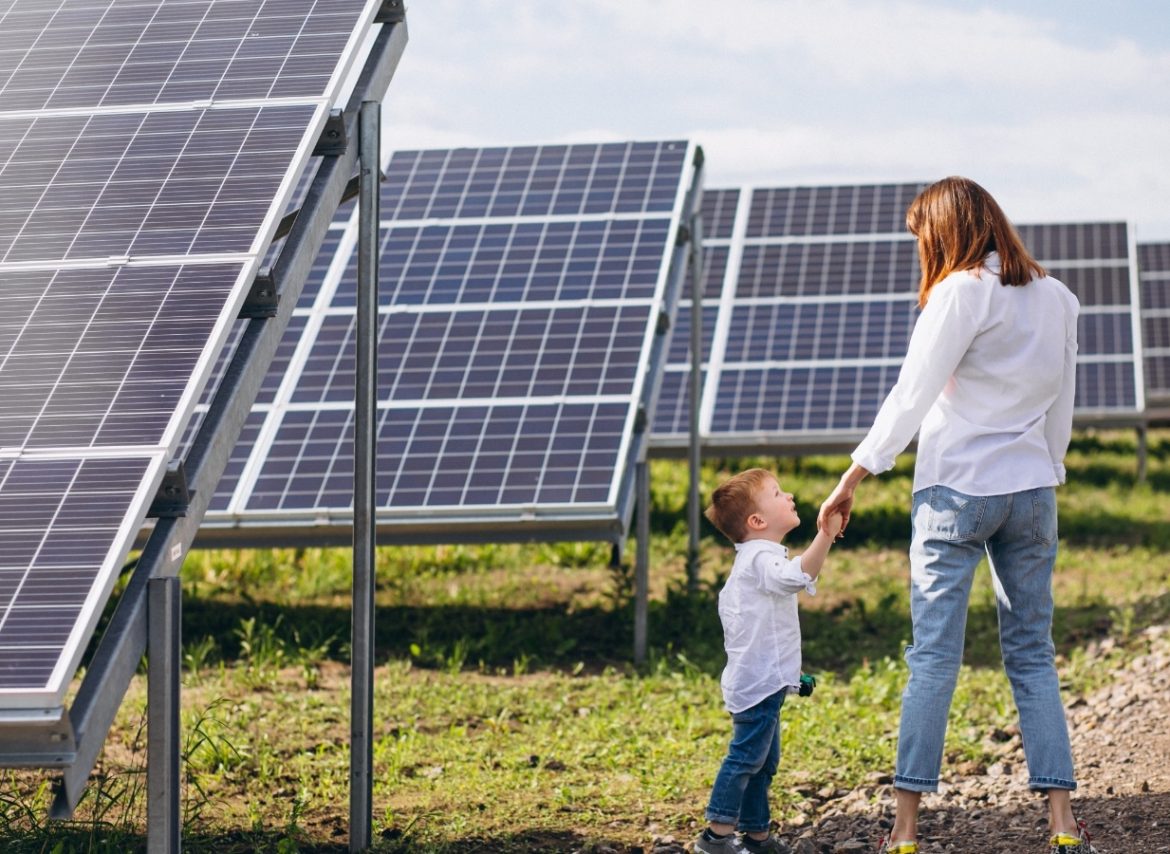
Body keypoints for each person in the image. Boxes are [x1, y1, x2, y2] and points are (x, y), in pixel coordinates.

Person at [816, 177, 1095, 854]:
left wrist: (855, 474)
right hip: (1032, 493)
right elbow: (1061, 401)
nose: (920, 249)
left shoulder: (959, 291)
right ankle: (1062, 828)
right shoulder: (1058, 297)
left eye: (922, 236)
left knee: (934, 658)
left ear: (943, 232)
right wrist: (1047, 468)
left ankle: (906, 833)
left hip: (957, 491)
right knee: (1033, 654)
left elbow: (912, 395)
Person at [696, 468, 844, 854]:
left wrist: (794, 677)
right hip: (757, 687)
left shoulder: (759, 559)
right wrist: (825, 535)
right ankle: (716, 836)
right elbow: (797, 577)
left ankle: (757, 835)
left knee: (763, 764)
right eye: (778, 493)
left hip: (767, 683)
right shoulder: (760, 560)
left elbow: (766, 634)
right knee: (746, 759)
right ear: (757, 521)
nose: (790, 496)